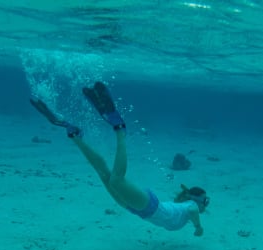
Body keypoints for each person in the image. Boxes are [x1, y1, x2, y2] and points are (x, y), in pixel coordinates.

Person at [30, 81, 209, 236]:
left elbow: (189, 209)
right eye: (205, 201)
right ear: (197, 199)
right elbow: (194, 209)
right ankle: (120, 130)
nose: (205, 205)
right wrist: (198, 227)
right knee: (116, 180)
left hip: (137, 209)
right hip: (149, 206)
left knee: (103, 173)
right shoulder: (191, 206)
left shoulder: (183, 209)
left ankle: (74, 135)